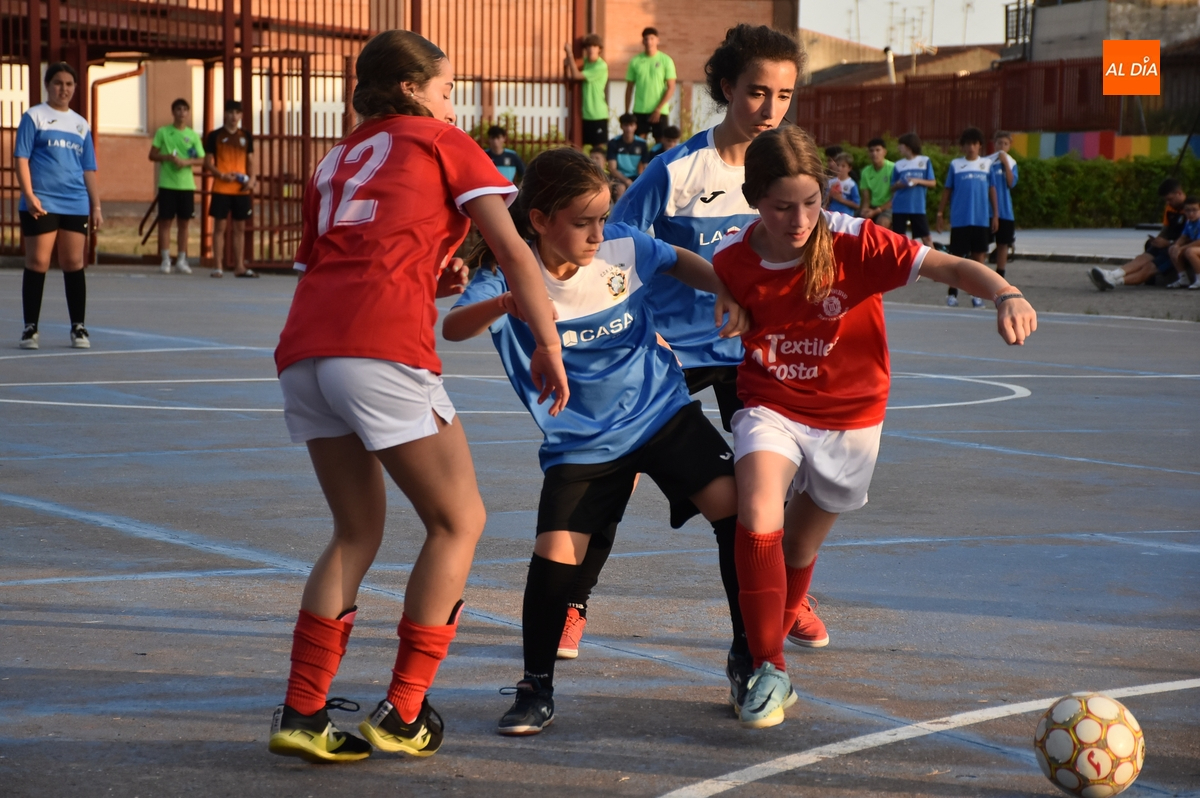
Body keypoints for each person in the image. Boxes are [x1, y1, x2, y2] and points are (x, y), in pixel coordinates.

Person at [266, 29, 568, 764]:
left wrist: (429, 281)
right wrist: (549, 343)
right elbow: (514, 249)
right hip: (379, 350)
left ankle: (302, 712)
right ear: (411, 88)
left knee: (354, 532)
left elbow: (340, 262)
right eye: (446, 87)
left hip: (306, 348)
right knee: (458, 521)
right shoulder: (441, 140)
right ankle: (404, 711)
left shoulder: (334, 159)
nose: (452, 102)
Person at [713, 125, 1037, 729]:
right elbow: (689, 280)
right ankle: (767, 666)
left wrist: (1005, 293)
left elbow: (950, 265)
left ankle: (778, 623)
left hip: (850, 417)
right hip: (771, 403)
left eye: (810, 202)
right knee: (757, 513)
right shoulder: (731, 258)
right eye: (782, 206)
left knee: (799, 548)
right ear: (754, 198)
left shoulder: (855, 241)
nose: (799, 219)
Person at [441, 147, 748, 736]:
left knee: (738, 512)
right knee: (556, 554)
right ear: (538, 220)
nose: (597, 233)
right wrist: (505, 304)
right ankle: (536, 686)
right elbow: (453, 328)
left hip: (662, 413)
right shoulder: (508, 275)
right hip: (582, 442)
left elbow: (679, 259)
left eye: (602, 218)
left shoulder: (622, 247)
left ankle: (748, 656)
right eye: (583, 222)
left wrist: (724, 289)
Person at [605, 23, 821, 708]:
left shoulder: (787, 171)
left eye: (783, 95)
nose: (770, 108)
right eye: (758, 92)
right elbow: (614, 243)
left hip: (746, 350)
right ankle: (573, 599)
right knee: (610, 470)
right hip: (673, 346)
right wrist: (634, 330)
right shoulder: (676, 170)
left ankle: (772, 617)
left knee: (767, 490)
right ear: (727, 88)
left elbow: (811, 254)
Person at [14, 62, 101, 350]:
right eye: (58, 83)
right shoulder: (34, 116)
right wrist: (29, 195)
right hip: (42, 200)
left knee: (74, 263)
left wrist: (96, 206)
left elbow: (88, 168)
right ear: (48, 85)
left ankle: (78, 327)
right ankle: (30, 328)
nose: (64, 89)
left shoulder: (80, 124)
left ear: (75, 88)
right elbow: (21, 158)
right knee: (38, 262)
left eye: (69, 84)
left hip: (75, 201)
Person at [1089, 179, 1188, 290]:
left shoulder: (1191, 209)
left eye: (1170, 199)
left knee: (1149, 267)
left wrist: (1168, 243)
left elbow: (1191, 236)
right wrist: (1158, 240)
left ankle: (1115, 281)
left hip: (1176, 248)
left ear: (1179, 193)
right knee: (1142, 258)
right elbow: (1166, 228)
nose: (1168, 203)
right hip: (1167, 244)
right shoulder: (1170, 208)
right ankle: (1113, 274)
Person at [937, 127, 997, 307]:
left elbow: (992, 190)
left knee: (979, 258)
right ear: (962, 147)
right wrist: (940, 213)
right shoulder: (956, 165)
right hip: (960, 219)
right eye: (967, 144)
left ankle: (977, 295)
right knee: (956, 258)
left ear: (980, 146)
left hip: (980, 219)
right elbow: (947, 190)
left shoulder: (986, 165)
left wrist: (996, 215)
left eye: (974, 144)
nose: (971, 147)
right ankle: (952, 294)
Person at [149, 98, 205, 274]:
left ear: (188, 113)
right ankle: (165, 259)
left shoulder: (192, 135)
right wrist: (167, 157)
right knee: (165, 222)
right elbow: (152, 155)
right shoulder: (163, 132)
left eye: (185, 110)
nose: (182, 113)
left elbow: (201, 159)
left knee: (184, 224)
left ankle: (182, 259)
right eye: (178, 109)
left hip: (186, 185)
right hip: (167, 184)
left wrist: (185, 162)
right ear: (173, 112)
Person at [204, 100, 257, 278]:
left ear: (241, 115)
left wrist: (252, 179)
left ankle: (239, 266)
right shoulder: (215, 135)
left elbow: (250, 161)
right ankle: (217, 266)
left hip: (241, 189)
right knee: (219, 227)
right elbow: (208, 163)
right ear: (225, 114)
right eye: (230, 112)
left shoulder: (246, 135)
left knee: (239, 228)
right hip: (221, 188)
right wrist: (221, 175)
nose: (234, 116)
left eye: (237, 113)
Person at [624, 27, 677, 143]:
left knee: (661, 144)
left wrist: (658, 109)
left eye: (652, 38)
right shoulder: (635, 61)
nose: (649, 42)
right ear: (643, 41)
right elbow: (629, 88)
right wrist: (627, 112)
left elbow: (671, 87)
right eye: (646, 39)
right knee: (638, 143)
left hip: (660, 111)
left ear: (658, 40)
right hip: (640, 110)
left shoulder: (666, 60)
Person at [564, 35, 609, 150]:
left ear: (599, 49)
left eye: (594, 46)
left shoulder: (601, 65)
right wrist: (566, 66)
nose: (591, 49)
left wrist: (570, 54)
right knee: (576, 147)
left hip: (597, 114)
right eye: (588, 46)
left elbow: (576, 75)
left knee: (598, 150)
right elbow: (570, 82)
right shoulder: (583, 63)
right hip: (582, 114)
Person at [890, 132, 935, 246]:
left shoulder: (924, 161)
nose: (898, 148)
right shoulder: (898, 164)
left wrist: (917, 181)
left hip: (917, 206)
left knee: (926, 237)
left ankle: (935, 258)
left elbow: (932, 182)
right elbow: (892, 186)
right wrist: (899, 184)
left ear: (908, 146)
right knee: (898, 239)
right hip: (899, 207)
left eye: (900, 145)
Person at [989, 130, 1018, 278]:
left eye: (1005, 144)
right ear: (994, 145)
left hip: (1005, 211)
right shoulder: (987, 162)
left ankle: (1000, 275)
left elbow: (1011, 183)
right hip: (987, 211)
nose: (1002, 146)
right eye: (999, 143)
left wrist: (1005, 163)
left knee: (1003, 244)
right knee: (981, 245)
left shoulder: (1011, 163)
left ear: (1009, 146)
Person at [858, 137, 894, 229]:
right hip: (873, 206)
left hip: (889, 207)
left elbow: (895, 198)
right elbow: (866, 197)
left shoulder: (893, 168)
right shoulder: (865, 172)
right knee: (858, 223)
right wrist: (864, 210)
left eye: (878, 150)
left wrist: (876, 211)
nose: (874, 153)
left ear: (884, 152)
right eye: (871, 151)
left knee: (881, 223)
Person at [1164, 196, 1200, 289]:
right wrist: (1176, 246)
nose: (1191, 213)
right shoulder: (1189, 222)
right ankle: (1183, 278)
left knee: (1190, 251)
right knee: (1172, 249)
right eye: (1187, 210)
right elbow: (1183, 237)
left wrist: (1181, 248)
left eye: (1194, 210)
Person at [606, 113, 648, 189]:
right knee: (620, 188)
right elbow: (612, 168)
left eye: (631, 125)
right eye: (626, 125)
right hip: (618, 177)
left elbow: (646, 166)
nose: (629, 128)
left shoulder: (642, 143)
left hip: (635, 177)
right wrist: (626, 181)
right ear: (621, 126)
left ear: (635, 126)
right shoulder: (613, 143)